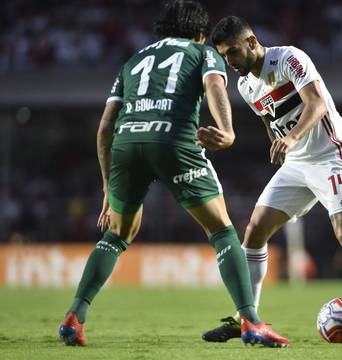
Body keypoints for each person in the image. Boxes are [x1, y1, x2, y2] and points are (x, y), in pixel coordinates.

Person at [58, 1, 288, 348]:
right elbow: (214, 87)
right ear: (199, 33)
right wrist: (226, 130)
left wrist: (108, 185)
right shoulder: (202, 52)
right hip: (173, 140)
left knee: (119, 234)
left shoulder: (133, 61)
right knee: (222, 230)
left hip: (126, 144)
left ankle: (74, 316)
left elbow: (105, 127)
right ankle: (251, 322)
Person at [200, 15, 342, 345]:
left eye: (233, 52)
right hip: (297, 164)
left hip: (332, 156)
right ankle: (248, 319)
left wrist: (293, 138)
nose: (230, 62)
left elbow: (317, 103)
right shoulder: (245, 85)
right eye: (225, 56)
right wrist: (282, 143)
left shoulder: (289, 59)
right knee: (255, 231)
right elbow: (270, 121)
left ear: (252, 42)